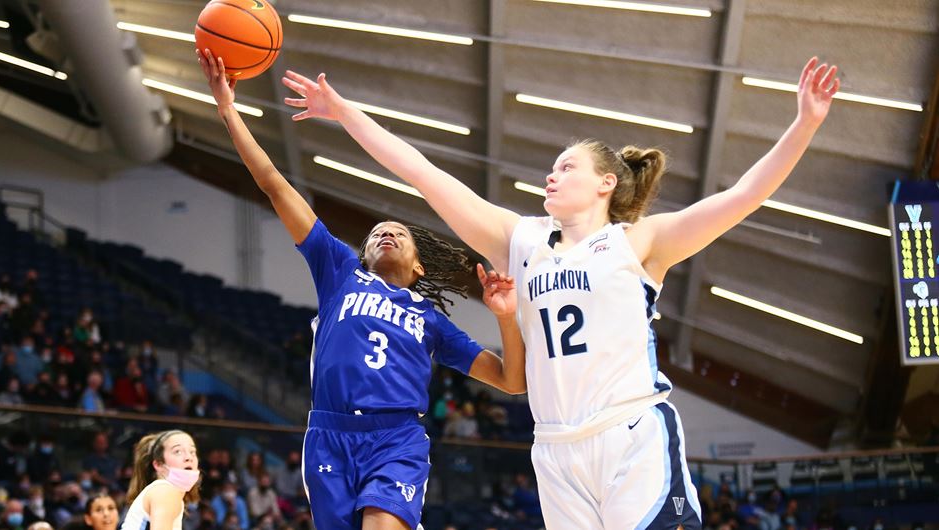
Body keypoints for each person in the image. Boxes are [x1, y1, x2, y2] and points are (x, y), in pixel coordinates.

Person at [282, 57, 840, 529]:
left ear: (607, 183)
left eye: (565, 166)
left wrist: (806, 125)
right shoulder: (519, 240)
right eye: (551, 168)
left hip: (630, 432)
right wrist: (344, 112)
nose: (551, 175)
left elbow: (742, 197)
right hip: (554, 449)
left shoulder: (637, 241)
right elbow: (426, 175)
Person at [198, 48, 525, 530]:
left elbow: (513, 381)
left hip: (397, 437)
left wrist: (505, 316)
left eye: (399, 233)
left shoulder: (431, 320)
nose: (385, 233)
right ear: (364, 252)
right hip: (330, 433)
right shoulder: (338, 270)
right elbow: (273, 184)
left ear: (417, 267)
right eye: (376, 232)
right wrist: (228, 108)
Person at [122, 430, 200, 530]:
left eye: (192, 452)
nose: (189, 457)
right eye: (178, 451)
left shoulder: (166, 492)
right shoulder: (164, 491)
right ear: (158, 464)